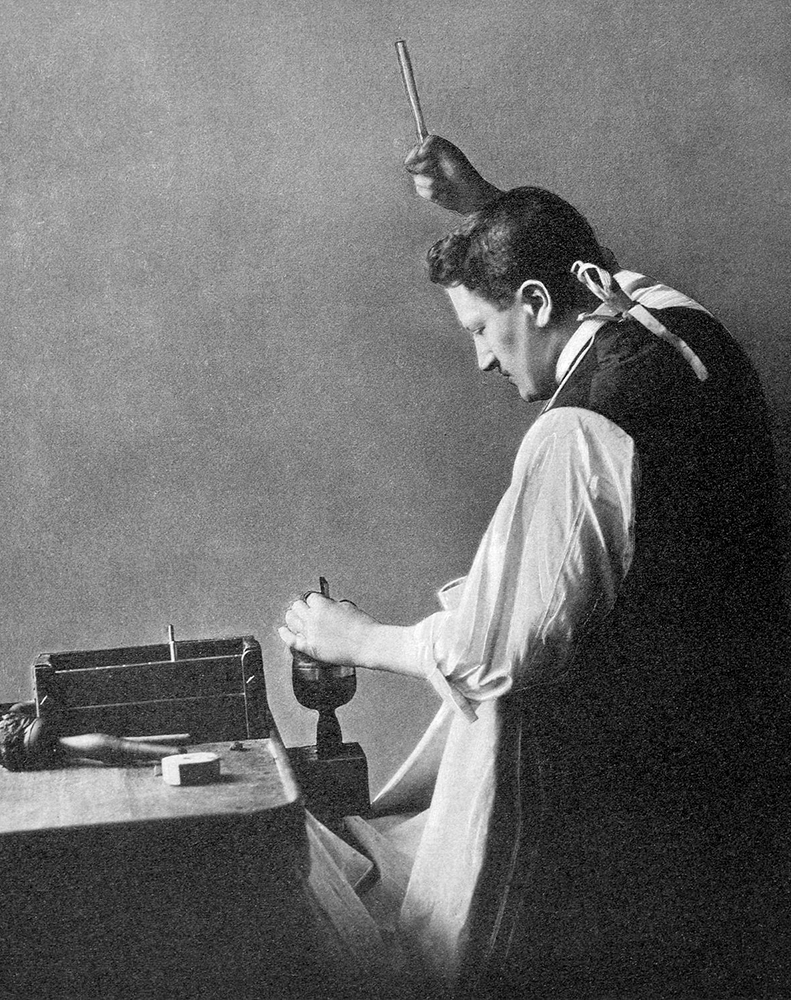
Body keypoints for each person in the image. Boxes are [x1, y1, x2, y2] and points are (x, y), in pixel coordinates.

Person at [280, 136, 791, 998]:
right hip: (750, 759)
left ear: (535, 300)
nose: (483, 357)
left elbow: (497, 656)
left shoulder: (578, 433)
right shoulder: (682, 327)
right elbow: (580, 262)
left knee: (387, 923)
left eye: (483, 329)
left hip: (642, 811)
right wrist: (488, 209)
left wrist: (357, 639)